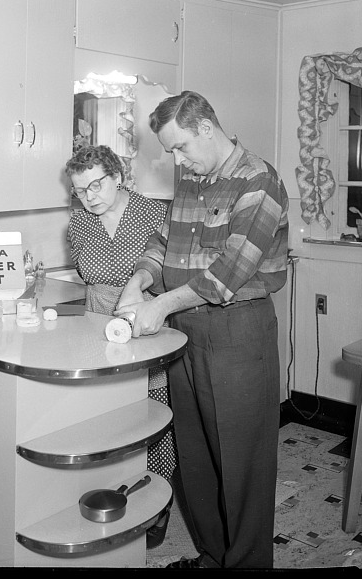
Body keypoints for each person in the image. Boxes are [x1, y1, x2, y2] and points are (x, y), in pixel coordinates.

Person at [115, 91, 289, 569]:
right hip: (185, 333)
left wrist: (162, 305)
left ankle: (247, 565)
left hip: (237, 331)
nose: (176, 159)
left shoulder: (259, 180)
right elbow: (164, 240)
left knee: (242, 463)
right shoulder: (192, 177)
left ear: (207, 129)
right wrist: (140, 280)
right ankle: (214, 556)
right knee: (195, 457)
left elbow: (228, 272)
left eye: (180, 147)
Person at [65, 144, 177, 549]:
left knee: (150, 414)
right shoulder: (79, 223)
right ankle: (115, 494)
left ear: (118, 177)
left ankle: (158, 503)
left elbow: (167, 267)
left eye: (96, 185)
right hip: (98, 324)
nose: (89, 196)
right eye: (79, 190)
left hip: (146, 323)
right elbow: (86, 272)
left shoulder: (153, 212)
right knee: (109, 415)